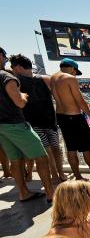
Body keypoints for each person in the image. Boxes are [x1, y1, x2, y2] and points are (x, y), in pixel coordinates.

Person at [0, 47, 54, 202]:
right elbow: (20, 103)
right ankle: (51, 193)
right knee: (41, 156)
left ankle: (23, 192)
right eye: (5, 57)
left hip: (2, 127)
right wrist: (23, 96)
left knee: (15, 160)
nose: (6, 61)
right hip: (15, 123)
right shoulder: (6, 77)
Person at [9, 54, 67, 184]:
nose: (12, 69)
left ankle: (58, 174)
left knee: (52, 149)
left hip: (41, 120)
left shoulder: (19, 81)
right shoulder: (43, 79)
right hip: (42, 120)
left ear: (18, 67)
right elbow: (58, 99)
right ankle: (57, 174)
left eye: (13, 67)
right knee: (50, 149)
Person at [50, 58, 90, 182]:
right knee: (86, 148)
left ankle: (78, 176)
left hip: (61, 116)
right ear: (72, 68)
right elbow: (79, 100)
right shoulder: (70, 78)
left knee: (71, 148)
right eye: (75, 71)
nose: (75, 74)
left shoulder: (53, 78)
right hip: (74, 116)